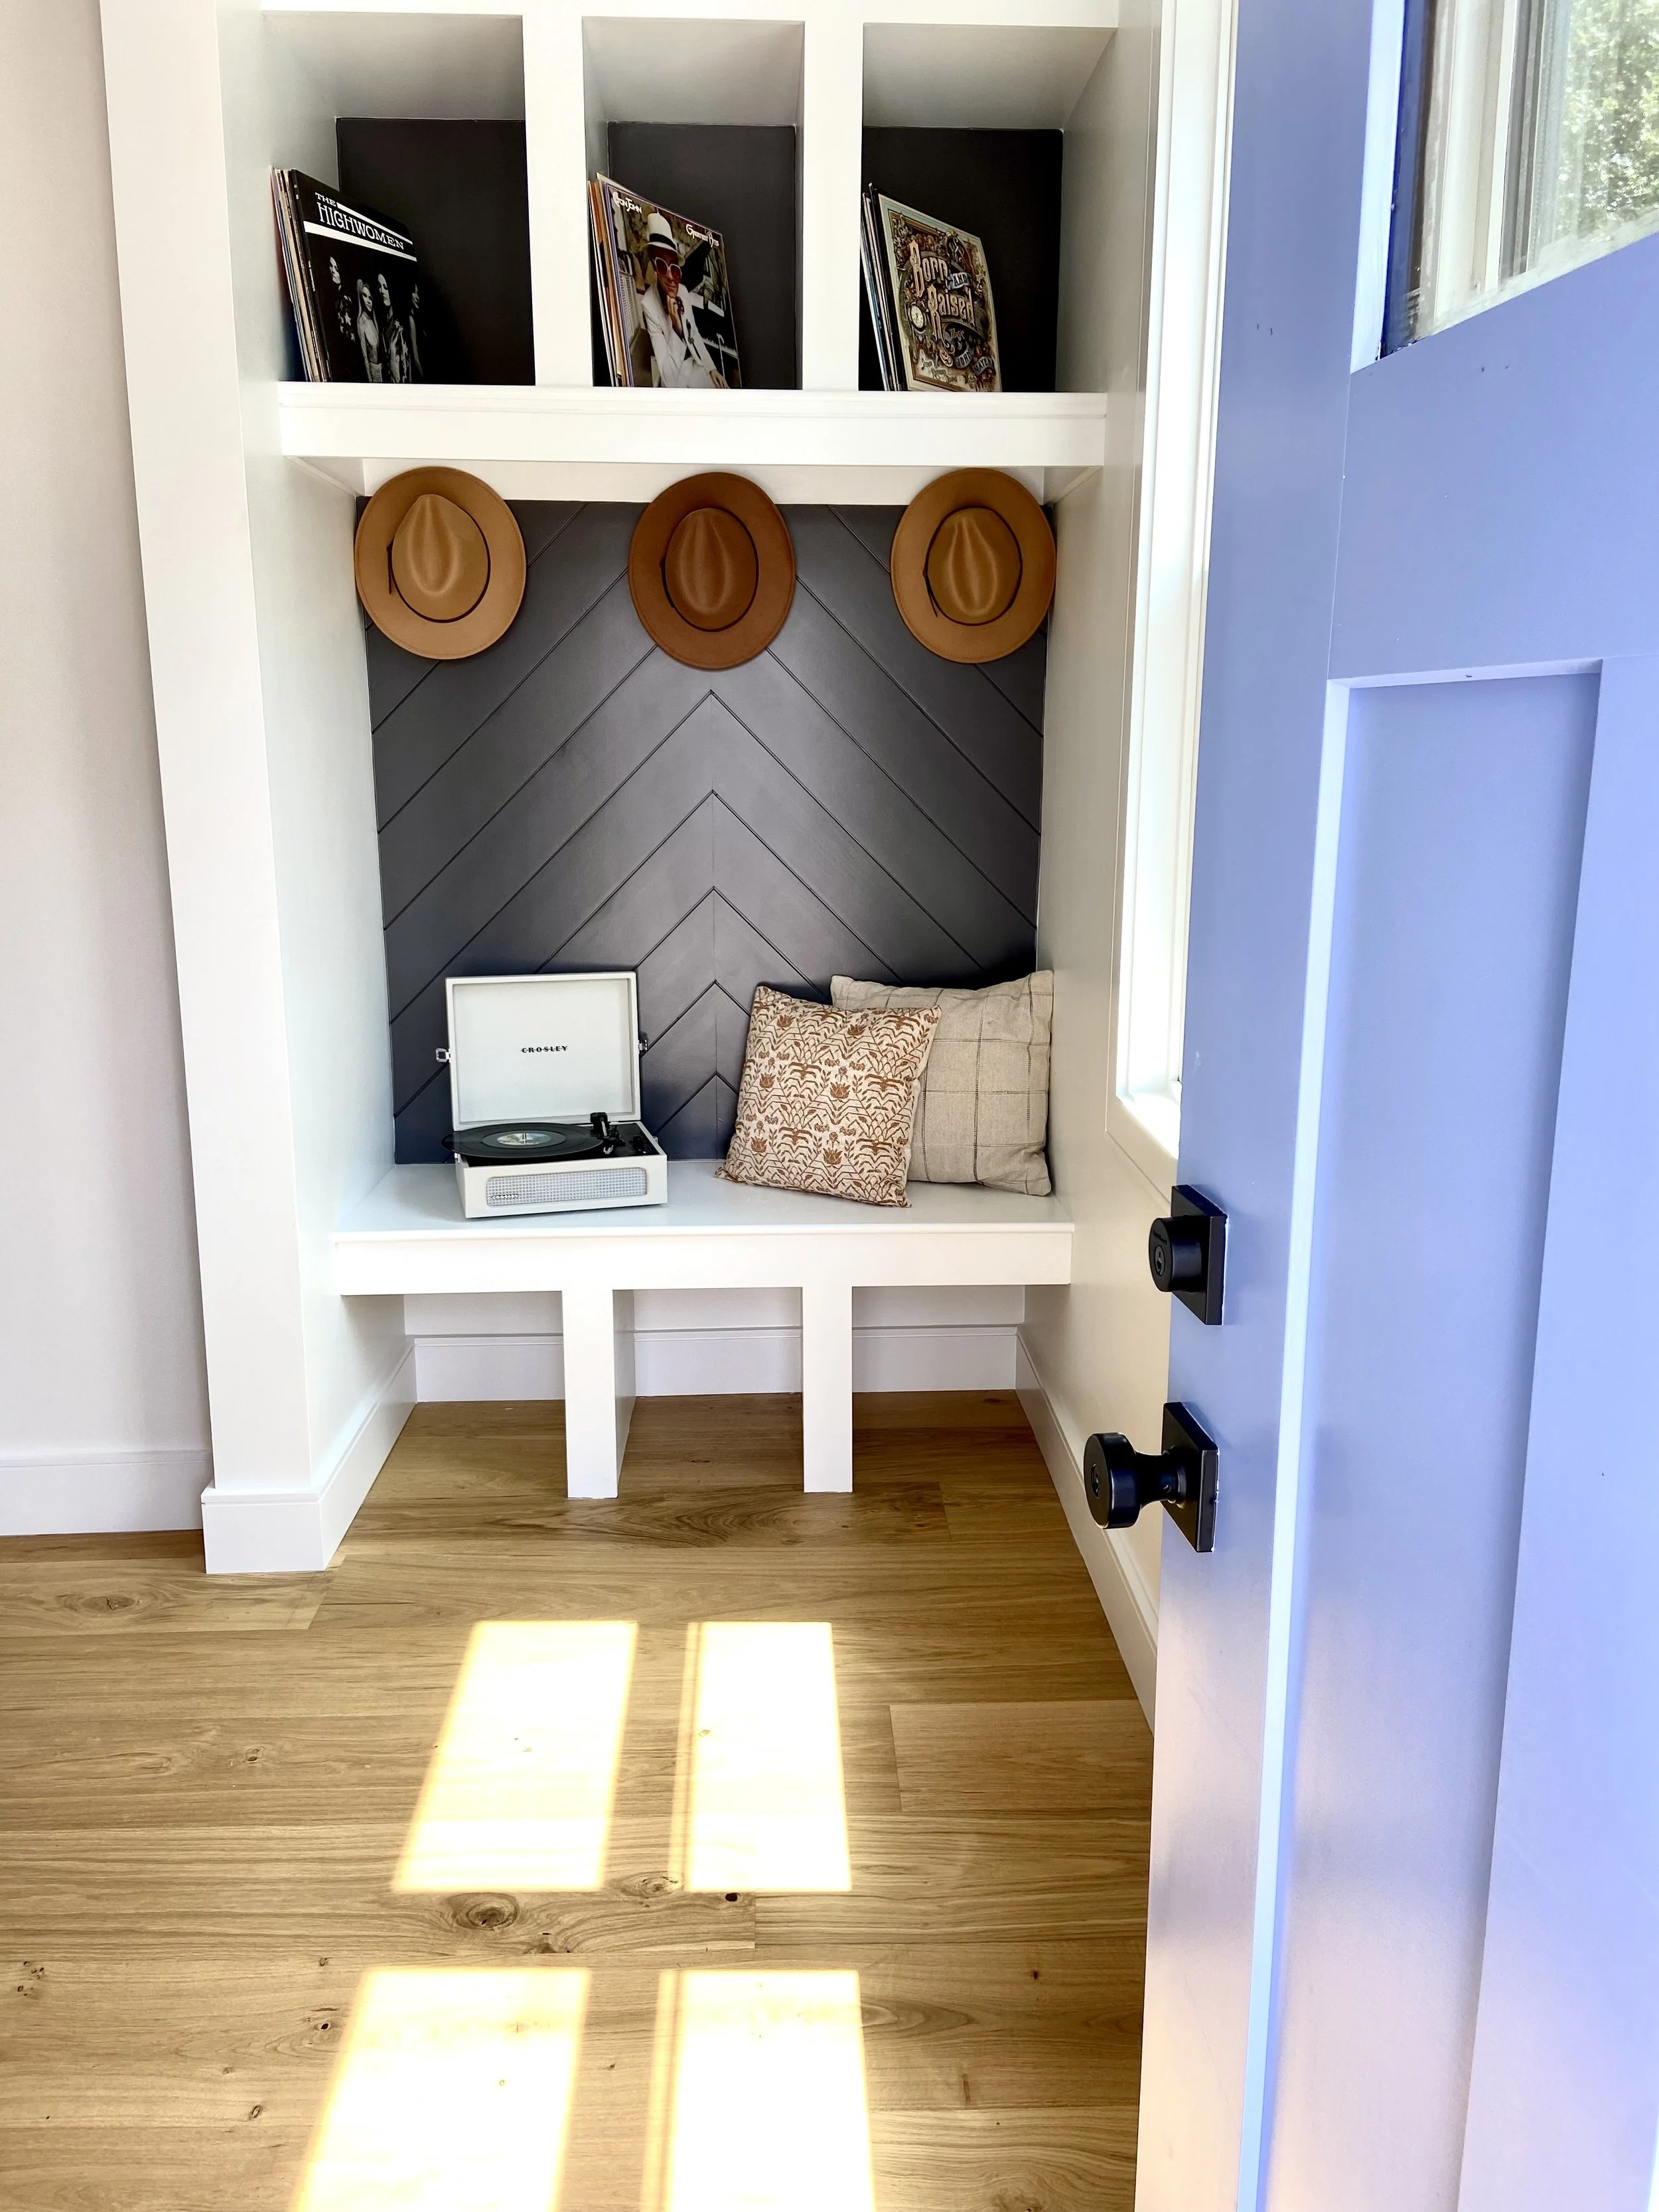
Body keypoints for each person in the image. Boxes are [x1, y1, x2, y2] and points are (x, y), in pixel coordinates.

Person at [638, 211, 725, 389]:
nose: (671, 277)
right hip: (677, 379)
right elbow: (669, 380)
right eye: (662, 266)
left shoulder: (683, 291)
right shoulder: (648, 305)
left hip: (695, 365)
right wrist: (677, 329)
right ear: (655, 266)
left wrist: (712, 369)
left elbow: (694, 333)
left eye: (675, 269)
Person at [378, 271, 410, 384]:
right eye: (380, 287)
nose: (381, 291)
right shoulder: (383, 327)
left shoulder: (400, 325)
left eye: (385, 287)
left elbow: (407, 365)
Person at [355, 277, 382, 380]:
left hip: (383, 371)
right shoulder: (361, 322)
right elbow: (364, 356)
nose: (368, 301)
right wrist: (370, 380)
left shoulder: (374, 320)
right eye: (365, 296)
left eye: (370, 297)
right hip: (374, 373)